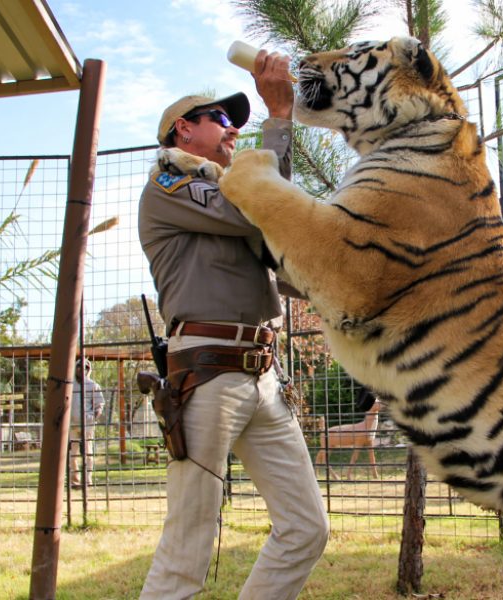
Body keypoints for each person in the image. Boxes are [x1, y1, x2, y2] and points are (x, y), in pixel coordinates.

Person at [137, 48, 329, 599]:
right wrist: (278, 120)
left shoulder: (227, 197)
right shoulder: (171, 187)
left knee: (307, 529)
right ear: (183, 130)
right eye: (221, 118)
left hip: (264, 376)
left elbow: (282, 231)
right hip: (207, 372)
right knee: (188, 546)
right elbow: (259, 208)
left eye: (238, 123)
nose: (232, 131)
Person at [70, 358, 105, 489]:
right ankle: (74, 481)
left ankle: (87, 480)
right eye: (79, 366)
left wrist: (94, 416)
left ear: (88, 369)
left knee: (88, 453)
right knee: (72, 454)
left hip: (88, 424)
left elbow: (99, 404)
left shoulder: (93, 385)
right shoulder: (70, 384)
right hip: (72, 424)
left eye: (84, 367)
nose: (81, 369)